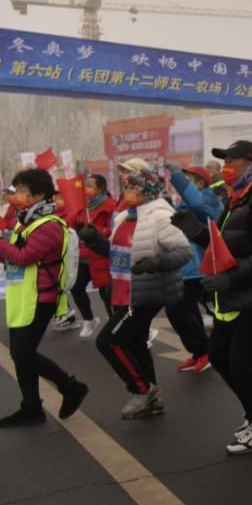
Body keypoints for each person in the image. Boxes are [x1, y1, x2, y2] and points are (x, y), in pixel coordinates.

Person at [171, 140, 252, 455]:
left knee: (243, 365)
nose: (226, 169)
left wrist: (229, 278)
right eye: (224, 163)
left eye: (234, 163)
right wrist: (196, 231)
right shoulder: (237, 198)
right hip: (236, 294)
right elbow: (226, 248)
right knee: (220, 356)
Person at [81, 161, 191, 418]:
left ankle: (141, 390)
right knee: (136, 343)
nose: (125, 192)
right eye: (125, 187)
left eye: (131, 188)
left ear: (146, 192)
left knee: (108, 341)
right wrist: (94, 239)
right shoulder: (123, 216)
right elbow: (114, 252)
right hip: (121, 290)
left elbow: (183, 252)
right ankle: (152, 400)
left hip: (144, 293)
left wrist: (157, 262)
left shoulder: (160, 216)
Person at [0, 168, 90, 427]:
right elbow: (12, 255)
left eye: (21, 192)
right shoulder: (25, 221)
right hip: (23, 297)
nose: (16, 196)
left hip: (41, 298)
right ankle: (31, 408)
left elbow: (23, 257)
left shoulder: (49, 225)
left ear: (39, 195)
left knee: (23, 353)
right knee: (20, 354)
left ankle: (71, 387)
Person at [163, 163, 221, 373]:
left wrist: (177, 175)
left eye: (189, 180)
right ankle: (200, 352)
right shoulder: (184, 205)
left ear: (201, 182)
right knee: (186, 310)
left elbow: (197, 202)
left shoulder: (210, 199)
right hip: (184, 266)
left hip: (199, 265)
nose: (183, 185)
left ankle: (204, 351)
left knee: (177, 310)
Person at [65, 174, 118, 338]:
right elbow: (70, 227)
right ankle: (89, 319)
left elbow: (113, 230)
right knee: (76, 286)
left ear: (100, 188)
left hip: (101, 256)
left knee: (107, 293)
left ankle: (115, 324)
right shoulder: (82, 207)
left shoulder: (111, 206)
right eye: (85, 185)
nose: (85, 189)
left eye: (89, 185)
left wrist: (97, 233)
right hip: (84, 257)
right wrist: (74, 213)